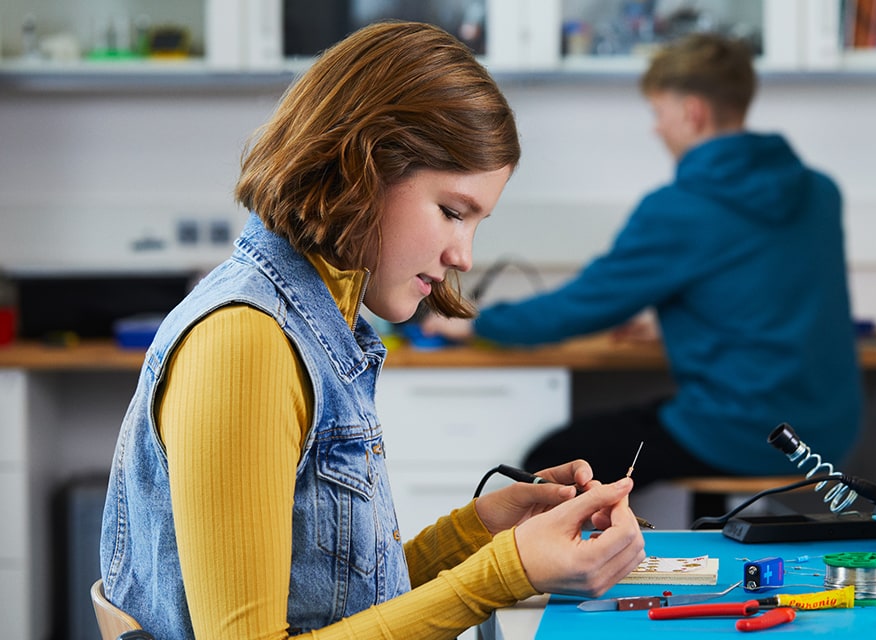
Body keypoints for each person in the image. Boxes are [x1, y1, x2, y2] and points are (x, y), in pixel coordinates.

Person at [98, 21, 644, 640]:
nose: (464, 256)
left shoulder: (321, 325)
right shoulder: (244, 342)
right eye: (451, 211)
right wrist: (502, 574)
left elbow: (335, 601)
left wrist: (479, 532)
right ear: (363, 167)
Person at [423, 33, 861, 492]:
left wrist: (477, 325)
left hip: (740, 433)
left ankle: (612, 563)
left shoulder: (683, 208)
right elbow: (775, 297)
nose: (656, 129)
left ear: (693, 113)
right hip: (825, 435)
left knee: (551, 464)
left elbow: (583, 306)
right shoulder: (819, 192)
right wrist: (679, 322)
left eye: (659, 113)